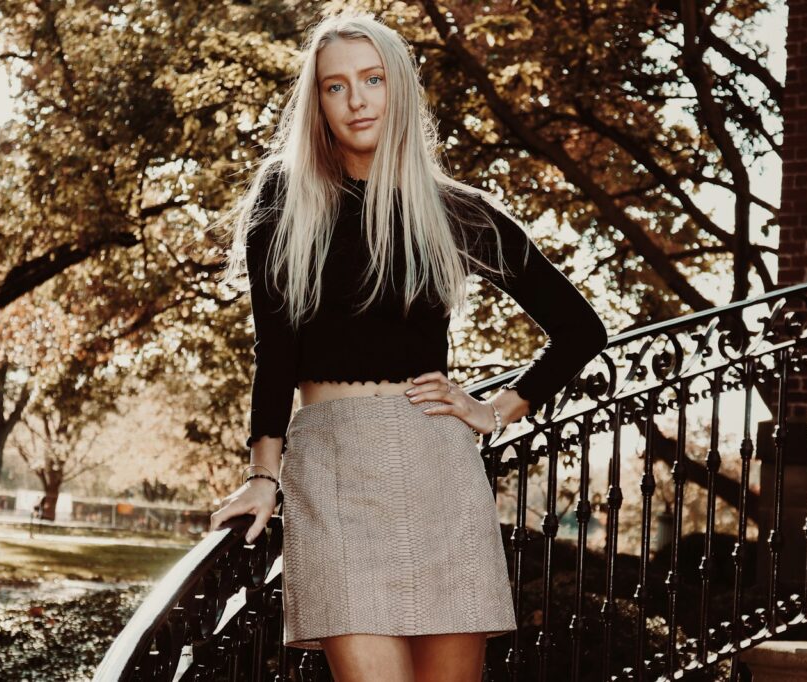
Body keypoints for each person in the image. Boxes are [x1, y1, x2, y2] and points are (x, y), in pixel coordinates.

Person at [210, 10, 608, 682]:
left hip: (437, 465)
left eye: (371, 79)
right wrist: (262, 475)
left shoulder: (454, 209)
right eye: (335, 86)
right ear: (319, 102)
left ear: (399, 88)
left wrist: (497, 408)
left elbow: (579, 328)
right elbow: (274, 353)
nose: (356, 99)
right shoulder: (285, 199)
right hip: (332, 468)